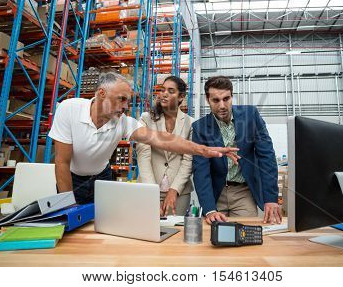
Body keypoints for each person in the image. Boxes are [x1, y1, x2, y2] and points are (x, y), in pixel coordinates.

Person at [48, 70, 238, 204]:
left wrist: (203, 149)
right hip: (71, 178)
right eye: (121, 99)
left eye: (128, 101)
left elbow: (162, 139)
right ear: (101, 94)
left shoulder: (122, 122)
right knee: (70, 226)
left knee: (100, 228)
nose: (125, 106)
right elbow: (62, 162)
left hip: (101, 178)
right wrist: (68, 206)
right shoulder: (69, 109)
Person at [192, 76, 281, 224]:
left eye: (226, 99)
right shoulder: (199, 128)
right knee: (213, 238)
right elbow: (201, 170)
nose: (222, 105)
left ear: (232, 96)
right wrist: (209, 209)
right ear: (208, 100)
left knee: (247, 236)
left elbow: (267, 157)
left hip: (243, 192)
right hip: (215, 194)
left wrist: (271, 198)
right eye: (216, 100)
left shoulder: (251, 116)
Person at [137, 76, 193, 216]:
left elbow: (188, 160)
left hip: (179, 193)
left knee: (175, 232)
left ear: (181, 97)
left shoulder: (190, 123)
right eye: (162, 90)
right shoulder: (146, 118)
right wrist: (151, 192)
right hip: (149, 185)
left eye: (171, 91)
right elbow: (143, 155)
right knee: (146, 231)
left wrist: (174, 189)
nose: (164, 94)